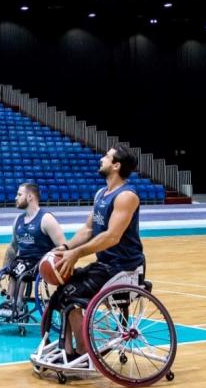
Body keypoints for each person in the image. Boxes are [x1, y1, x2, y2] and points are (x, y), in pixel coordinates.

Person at [51, 144, 143, 359]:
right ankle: (67, 349)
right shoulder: (101, 193)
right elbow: (88, 229)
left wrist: (77, 254)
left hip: (123, 267)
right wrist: (66, 248)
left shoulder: (126, 196)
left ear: (116, 165)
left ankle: (83, 351)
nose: (101, 158)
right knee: (61, 289)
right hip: (105, 266)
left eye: (107, 156)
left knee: (70, 294)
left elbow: (112, 236)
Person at [0, 183, 67, 316]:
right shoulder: (18, 220)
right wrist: (4, 270)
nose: (15, 197)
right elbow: (13, 247)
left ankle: (17, 303)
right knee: (13, 267)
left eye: (19, 194)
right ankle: (9, 300)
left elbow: (63, 246)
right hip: (22, 261)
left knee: (21, 269)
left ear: (30, 197)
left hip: (40, 262)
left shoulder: (46, 219)